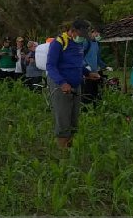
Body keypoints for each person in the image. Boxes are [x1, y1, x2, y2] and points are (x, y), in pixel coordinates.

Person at [45, 19, 98, 149]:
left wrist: (87, 73)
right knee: (63, 118)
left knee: (74, 119)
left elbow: (77, 64)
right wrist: (62, 83)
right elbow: (50, 66)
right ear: (72, 31)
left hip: (75, 84)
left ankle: (71, 149)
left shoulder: (79, 43)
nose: (82, 38)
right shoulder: (58, 43)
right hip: (60, 85)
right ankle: (63, 154)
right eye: (80, 35)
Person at [81, 28, 107, 104]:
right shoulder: (86, 42)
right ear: (93, 32)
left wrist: (105, 66)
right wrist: (85, 65)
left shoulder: (97, 43)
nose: (98, 36)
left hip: (95, 72)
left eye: (100, 35)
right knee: (87, 91)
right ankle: (85, 109)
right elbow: (79, 56)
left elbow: (98, 58)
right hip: (87, 71)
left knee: (94, 91)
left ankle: (94, 107)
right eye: (97, 34)